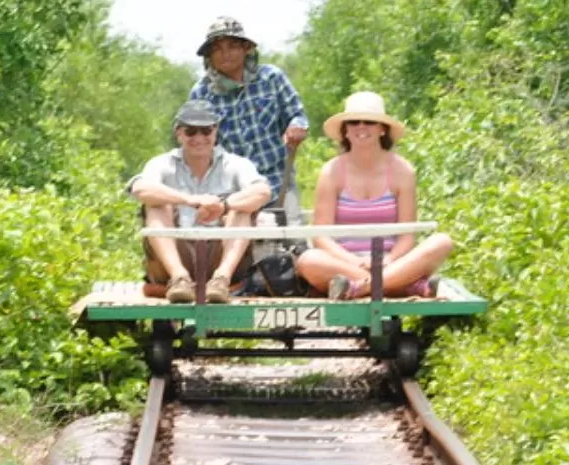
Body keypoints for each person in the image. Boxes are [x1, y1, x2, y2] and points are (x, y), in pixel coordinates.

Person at [294, 91, 454, 299]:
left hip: (391, 260)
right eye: (354, 122)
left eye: (369, 122)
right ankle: (403, 285)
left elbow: (407, 235)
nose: (361, 127)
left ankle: (361, 288)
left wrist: (387, 261)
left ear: (382, 129)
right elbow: (321, 236)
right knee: (309, 260)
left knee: (442, 242)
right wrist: (355, 262)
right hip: (345, 263)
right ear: (346, 131)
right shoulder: (331, 171)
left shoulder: (403, 170)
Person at [129, 99, 272, 303]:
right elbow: (140, 189)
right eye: (191, 131)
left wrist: (224, 206)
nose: (199, 138)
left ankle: (221, 279)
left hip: (221, 256)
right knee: (157, 204)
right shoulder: (162, 163)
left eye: (205, 131)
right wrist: (190, 200)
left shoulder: (236, 164)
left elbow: (262, 191)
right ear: (179, 133)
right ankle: (178, 277)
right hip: (174, 256)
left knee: (242, 207)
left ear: (215, 133)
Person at [187, 17, 308, 210]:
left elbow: (297, 115)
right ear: (208, 56)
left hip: (278, 180)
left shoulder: (271, 77)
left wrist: (297, 126)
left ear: (246, 49)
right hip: (230, 188)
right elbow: (194, 140)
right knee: (233, 238)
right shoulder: (201, 93)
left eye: (232, 46)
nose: (225, 54)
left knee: (291, 236)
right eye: (217, 49)